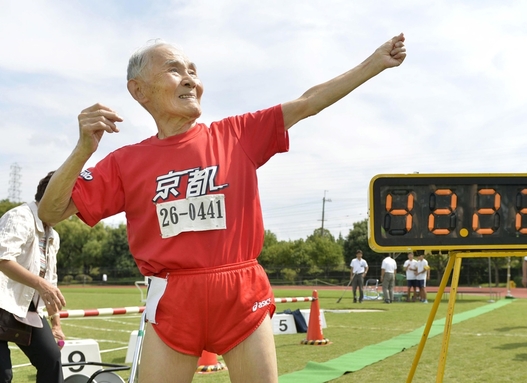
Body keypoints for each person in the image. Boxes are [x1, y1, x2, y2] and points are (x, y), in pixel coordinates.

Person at [38, 34, 406, 383]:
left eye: (193, 72)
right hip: (172, 300)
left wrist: (374, 63)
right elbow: (51, 212)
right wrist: (84, 148)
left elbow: (308, 102)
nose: (190, 80)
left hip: (241, 292)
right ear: (139, 90)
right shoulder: (124, 163)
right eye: (174, 69)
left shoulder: (236, 135)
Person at [0, 172, 66, 383]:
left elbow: (50, 281)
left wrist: (56, 323)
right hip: (1, 301)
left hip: (25, 307)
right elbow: (3, 259)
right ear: (52, 197)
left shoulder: (52, 234)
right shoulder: (19, 217)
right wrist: (41, 284)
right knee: (2, 373)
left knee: (51, 358)